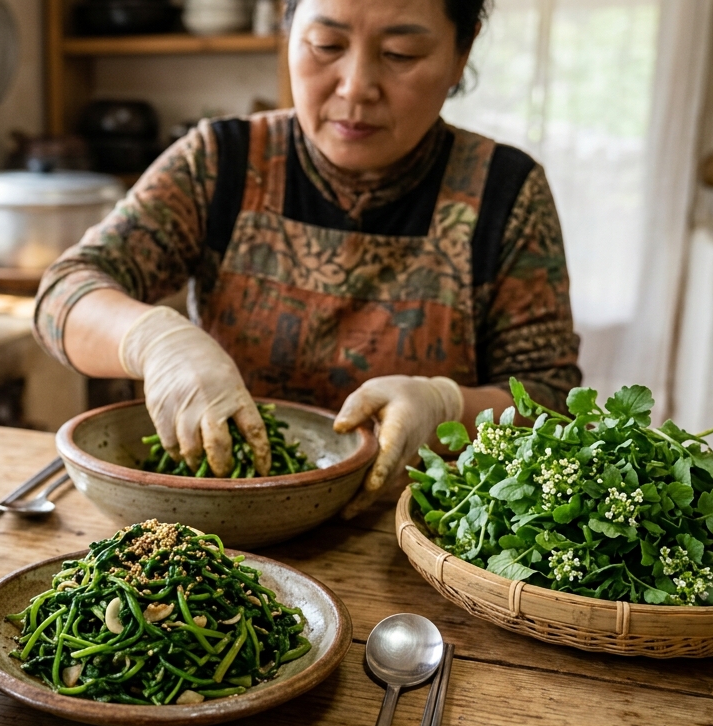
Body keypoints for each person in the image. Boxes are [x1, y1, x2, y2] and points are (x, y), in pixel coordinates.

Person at [33, 0, 580, 512]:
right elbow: (64, 293)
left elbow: (550, 400)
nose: (356, 86)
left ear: (462, 53)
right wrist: (156, 342)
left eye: (400, 55)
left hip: (418, 537)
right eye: (325, 44)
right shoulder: (221, 163)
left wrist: (444, 406)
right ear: (286, 29)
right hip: (224, 527)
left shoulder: (506, 193)